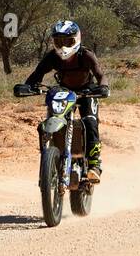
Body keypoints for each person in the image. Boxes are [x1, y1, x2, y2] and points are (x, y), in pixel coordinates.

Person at [23, 20, 108, 179]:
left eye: (68, 41)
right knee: (46, 125)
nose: (63, 47)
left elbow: (100, 74)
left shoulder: (86, 55)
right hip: (64, 92)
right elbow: (37, 74)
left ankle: (94, 165)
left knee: (90, 122)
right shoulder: (52, 57)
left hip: (86, 92)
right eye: (59, 41)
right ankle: (49, 161)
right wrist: (27, 86)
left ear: (77, 39)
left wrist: (103, 87)